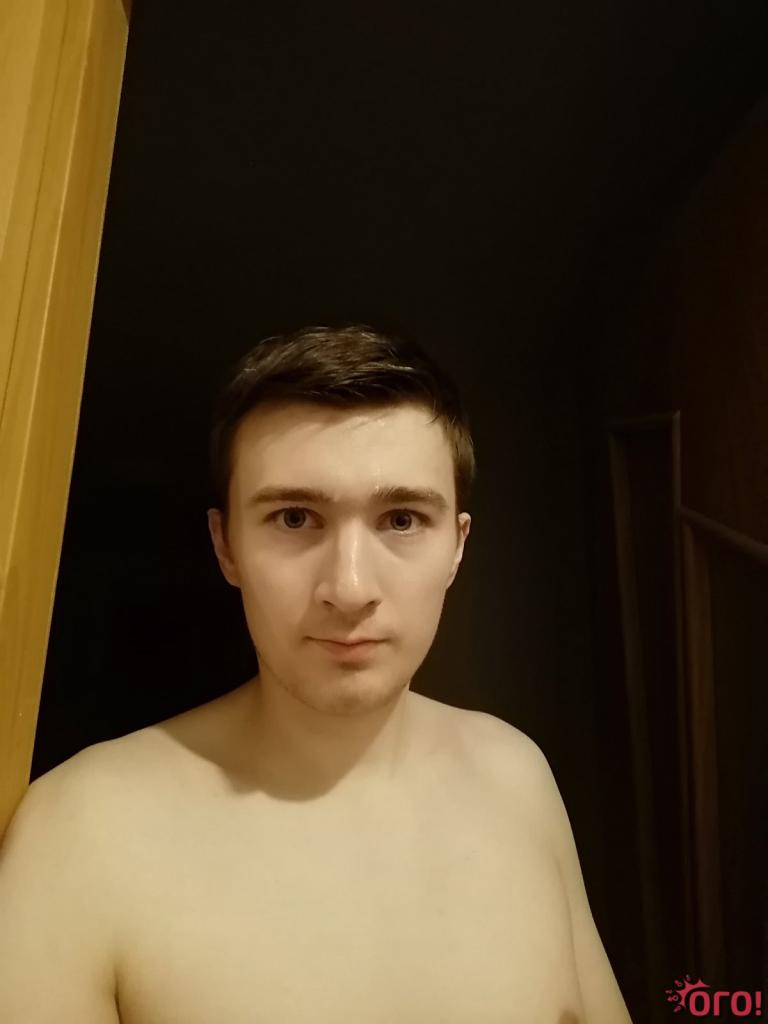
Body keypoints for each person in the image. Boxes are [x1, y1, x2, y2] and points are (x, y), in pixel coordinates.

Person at [0, 325, 633, 1023]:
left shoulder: (516, 776)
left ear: (457, 546)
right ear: (226, 545)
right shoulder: (82, 835)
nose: (350, 589)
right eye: (295, 518)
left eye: (401, 519)